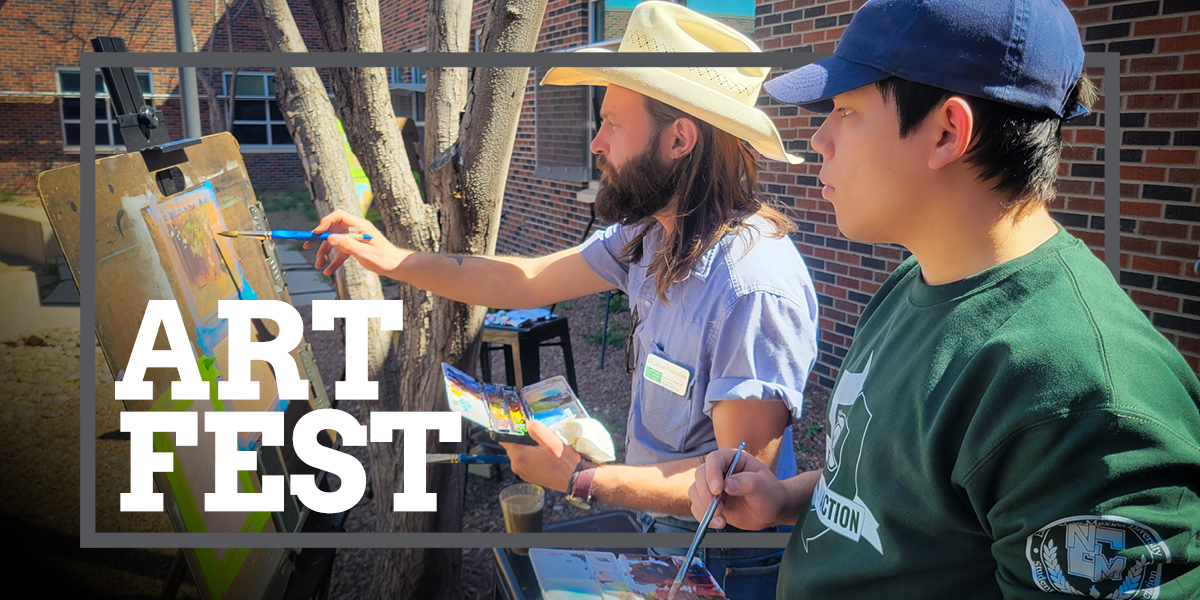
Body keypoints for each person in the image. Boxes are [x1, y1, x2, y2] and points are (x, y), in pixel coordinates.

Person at [689, 0, 1200, 598]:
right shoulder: (919, 280)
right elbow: (892, 496)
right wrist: (782, 498)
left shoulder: (1083, 400)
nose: (819, 138)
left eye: (846, 109)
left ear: (946, 131)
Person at [309, 3, 819, 596]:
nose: (597, 142)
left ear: (679, 138)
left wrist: (581, 479)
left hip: (722, 567)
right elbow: (521, 279)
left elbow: (735, 492)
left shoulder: (751, 286)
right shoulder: (655, 234)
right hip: (664, 540)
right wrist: (391, 257)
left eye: (612, 124)